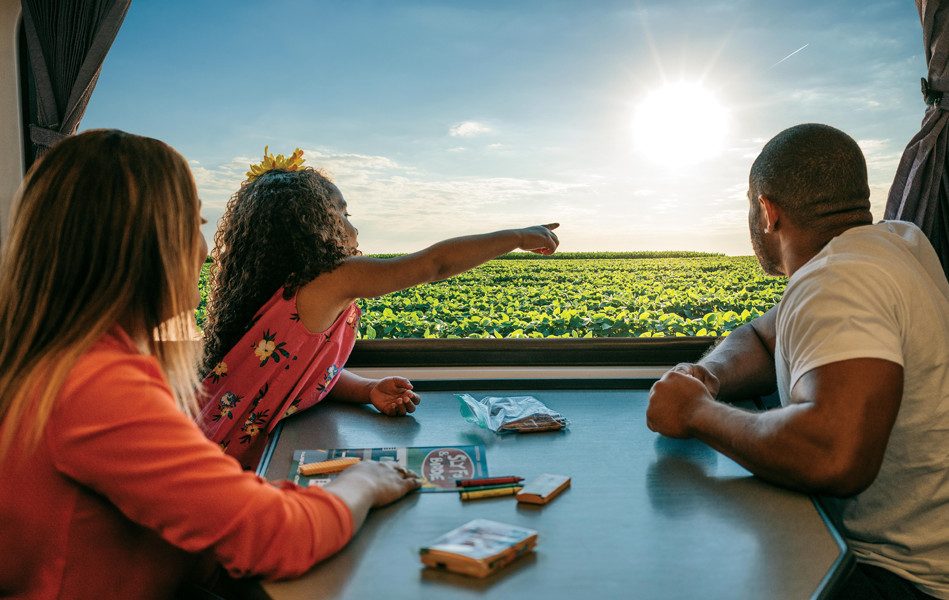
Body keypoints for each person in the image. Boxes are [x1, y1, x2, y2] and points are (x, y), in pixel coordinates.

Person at [0, 130, 422, 599]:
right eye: (193, 223)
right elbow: (277, 537)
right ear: (140, 240)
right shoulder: (94, 384)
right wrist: (363, 481)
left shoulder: (64, 362)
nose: (203, 251)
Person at [646, 123, 948, 599]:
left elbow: (835, 456)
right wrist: (707, 376)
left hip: (901, 581)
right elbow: (762, 338)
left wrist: (694, 412)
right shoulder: (895, 243)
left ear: (767, 210)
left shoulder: (836, 280)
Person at [200, 147, 560, 469]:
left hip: (219, 448)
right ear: (310, 225)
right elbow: (433, 265)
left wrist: (366, 389)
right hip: (222, 462)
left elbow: (297, 374)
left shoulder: (287, 290)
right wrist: (516, 236)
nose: (351, 224)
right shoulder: (330, 278)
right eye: (341, 212)